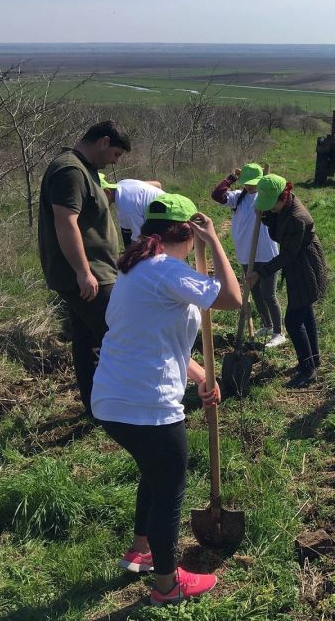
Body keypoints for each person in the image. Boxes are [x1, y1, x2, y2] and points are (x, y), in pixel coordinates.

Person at [91, 194, 242, 606]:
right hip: (146, 405)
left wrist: (199, 376)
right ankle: (166, 584)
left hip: (112, 399)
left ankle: (141, 550)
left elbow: (157, 340)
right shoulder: (167, 271)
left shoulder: (136, 268)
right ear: (187, 234)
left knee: (153, 473)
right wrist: (214, 242)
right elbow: (232, 298)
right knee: (171, 485)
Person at [37, 120, 131, 417]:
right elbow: (66, 222)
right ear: (103, 141)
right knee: (118, 335)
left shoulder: (84, 169)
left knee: (87, 340)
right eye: (116, 154)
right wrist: (83, 271)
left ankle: (96, 408)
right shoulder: (70, 171)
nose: (115, 161)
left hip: (93, 271)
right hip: (89, 275)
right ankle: (123, 404)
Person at [247, 175, 328, 388]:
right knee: (305, 312)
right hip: (297, 264)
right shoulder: (284, 206)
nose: (270, 209)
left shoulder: (297, 218)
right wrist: (265, 215)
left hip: (304, 266)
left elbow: (288, 254)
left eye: (271, 206)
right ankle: (313, 359)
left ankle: (308, 370)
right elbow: (277, 227)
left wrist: (260, 272)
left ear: (282, 197)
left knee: (293, 320)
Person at [212, 163, 286, 346]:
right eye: (246, 182)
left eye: (253, 183)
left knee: (269, 294)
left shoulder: (266, 198)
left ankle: (279, 332)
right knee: (255, 291)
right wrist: (231, 178)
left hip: (267, 253)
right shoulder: (238, 198)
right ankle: (267, 325)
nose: (250, 186)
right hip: (246, 252)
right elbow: (216, 195)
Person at [99, 174, 164, 248]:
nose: (98, 204)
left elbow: (140, 238)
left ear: (107, 192)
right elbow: (157, 184)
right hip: (162, 208)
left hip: (166, 221)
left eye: (98, 199)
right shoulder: (123, 183)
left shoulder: (127, 208)